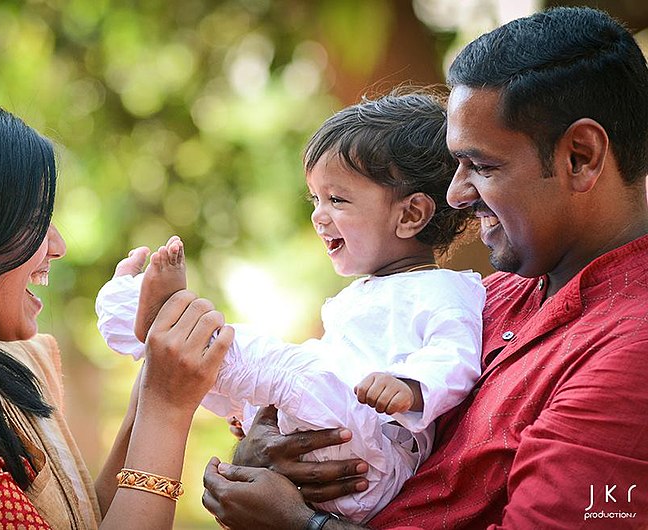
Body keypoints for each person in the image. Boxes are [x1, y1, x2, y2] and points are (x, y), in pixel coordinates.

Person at [200, 6, 648, 529]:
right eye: (456, 164)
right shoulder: (492, 296)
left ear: (580, 156)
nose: (456, 195)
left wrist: (303, 525)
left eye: (481, 166)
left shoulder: (631, 353)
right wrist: (272, 449)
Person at [95, 93, 485, 523]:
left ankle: (165, 323)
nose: (319, 216)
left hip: (373, 454)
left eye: (337, 200)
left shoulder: (444, 289)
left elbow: (456, 354)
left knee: (293, 369)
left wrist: (413, 387)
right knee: (237, 380)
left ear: (410, 214)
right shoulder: (364, 293)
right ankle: (153, 333)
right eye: (315, 199)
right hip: (339, 437)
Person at [0, 100, 235, 529]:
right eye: (34, 221)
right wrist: (166, 411)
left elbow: (85, 520)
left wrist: (152, 388)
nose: (57, 245)